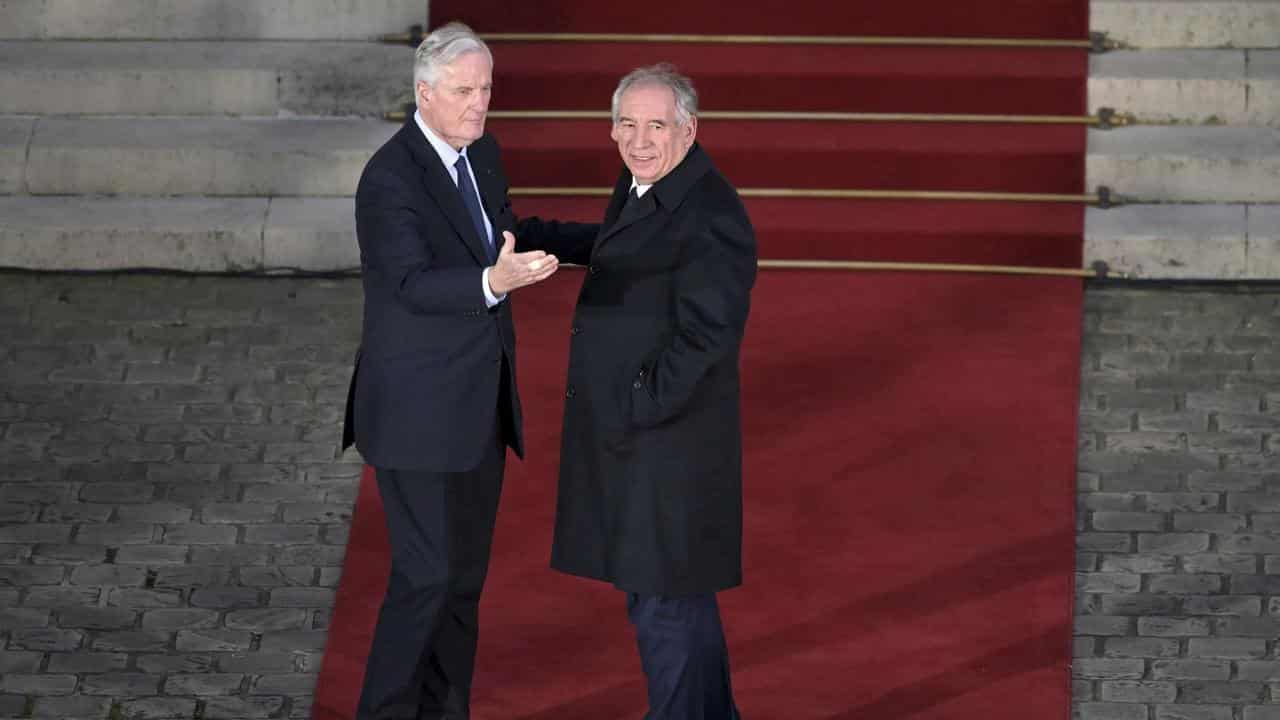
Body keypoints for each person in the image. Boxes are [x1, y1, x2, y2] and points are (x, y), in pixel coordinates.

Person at [340, 22, 598, 720]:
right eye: (463, 91)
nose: (478, 104)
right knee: (424, 579)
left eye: (486, 89)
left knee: (461, 584)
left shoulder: (479, 155)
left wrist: (605, 241)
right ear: (424, 94)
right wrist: (492, 282)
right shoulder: (389, 179)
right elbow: (410, 285)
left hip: (477, 408)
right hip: (416, 414)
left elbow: (510, 231)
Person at [544, 64, 758, 718]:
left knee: (666, 604)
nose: (640, 139)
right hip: (650, 443)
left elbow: (708, 338)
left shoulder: (712, 216)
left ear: (688, 130)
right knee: (672, 598)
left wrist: (637, 406)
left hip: (668, 448)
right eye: (628, 124)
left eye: (656, 125)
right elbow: (618, 246)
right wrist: (526, 235)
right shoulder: (653, 184)